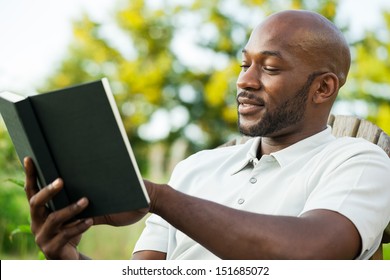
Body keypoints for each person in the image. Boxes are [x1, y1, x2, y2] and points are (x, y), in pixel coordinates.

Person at [24, 9, 390, 260]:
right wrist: (67, 258)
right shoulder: (195, 169)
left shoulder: (358, 162)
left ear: (323, 88)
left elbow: (311, 254)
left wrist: (158, 197)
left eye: (270, 67)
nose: (244, 80)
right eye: (245, 63)